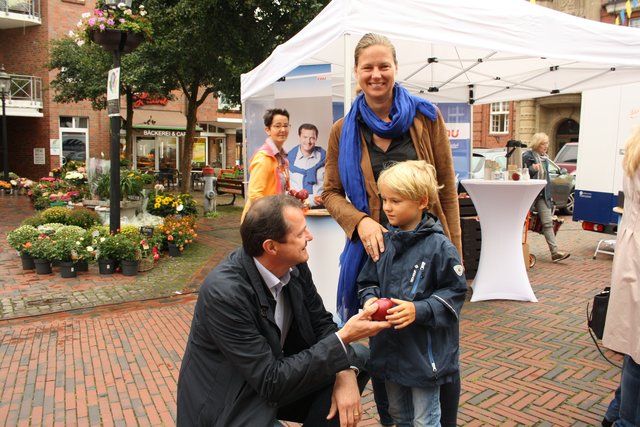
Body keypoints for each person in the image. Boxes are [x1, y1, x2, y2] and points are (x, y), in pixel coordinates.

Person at [322, 33, 463, 426]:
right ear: (356, 73)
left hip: (425, 249)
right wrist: (362, 220)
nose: (376, 74)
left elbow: (446, 191)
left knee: (436, 344)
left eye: (384, 66)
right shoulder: (341, 130)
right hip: (376, 256)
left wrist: (454, 255)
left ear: (396, 69)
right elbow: (330, 193)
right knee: (385, 344)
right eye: (368, 67)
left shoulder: (425, 117)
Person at [177, 195, 391, 427]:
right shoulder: (225, 294)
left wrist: (346, 371)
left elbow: (321, 323)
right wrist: (345, 336)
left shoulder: (295, 264)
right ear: (271, 247)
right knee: (343, 352)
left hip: (270, 379)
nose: (309, 237)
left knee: (358, 358)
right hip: (230, 400)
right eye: (300, 234)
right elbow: (271, 381)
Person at [356, 160, 467, 426]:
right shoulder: (384, 242)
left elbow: (455, 292)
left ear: (421, 201)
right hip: (390, 353)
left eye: (396, 200)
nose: (387, 207)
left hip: (424, 358)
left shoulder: (440, 247)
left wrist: (419, 309)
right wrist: (370, 298)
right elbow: (366, 282)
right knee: (399, 415)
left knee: (426, 419)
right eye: (384, 199)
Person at [602, 125, 640, 427]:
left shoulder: (634, 150)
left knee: (635, 346)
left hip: (632, 254)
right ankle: (624, 420)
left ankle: (617, 412)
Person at [522, 132, 570, 262]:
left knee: (548, 222)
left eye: (547, 143)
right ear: (537, 144)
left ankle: (554, 252)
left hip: (542, 194)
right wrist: (532, 169)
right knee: (522, 222)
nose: (546, 146)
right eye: (543, 143)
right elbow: (522, 173)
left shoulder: (545, 159)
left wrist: (549, 195)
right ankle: (516, 249)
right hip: (529, 194)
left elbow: (546, 178)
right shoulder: (527, 156)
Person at [241, 108, 291, 221]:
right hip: (260, 221)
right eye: (277, 126)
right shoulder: (264, 158)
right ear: (268, 130)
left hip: (275, 219)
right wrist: (271, 216)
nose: (283, 129)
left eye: (286, 125)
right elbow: (255, 195)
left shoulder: (283, 158)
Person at [288, 123, 326, 207]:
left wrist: (326, 199)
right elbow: (284, 187)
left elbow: (332, 185)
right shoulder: (288, 160)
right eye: (305, 137)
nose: (308, 141)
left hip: (321, 210)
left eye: (312, 138)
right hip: (296, 210)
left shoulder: (326, 159)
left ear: (316, 138)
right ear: (299, 137)